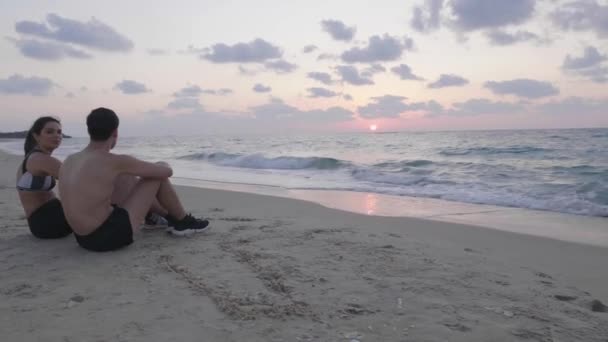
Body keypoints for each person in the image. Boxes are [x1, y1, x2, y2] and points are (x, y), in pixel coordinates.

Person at [59, 107, 209, 252]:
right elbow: (167, 172)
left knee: (124, 175)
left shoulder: (71, 159)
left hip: (83, 239)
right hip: (105, 238)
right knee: (158, 171)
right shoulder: (114, 161)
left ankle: (154, 217)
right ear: (115, 132)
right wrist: (163, 165)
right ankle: (183, 222)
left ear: (89, 131)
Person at [16, 116, 72, 239]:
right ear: (36, 136)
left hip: (44, 220)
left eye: (59, 132)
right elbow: (76, 181)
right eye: (49, 132)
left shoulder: (33, 157)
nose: (57, 135)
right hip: (45, 223)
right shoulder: (40, 159)